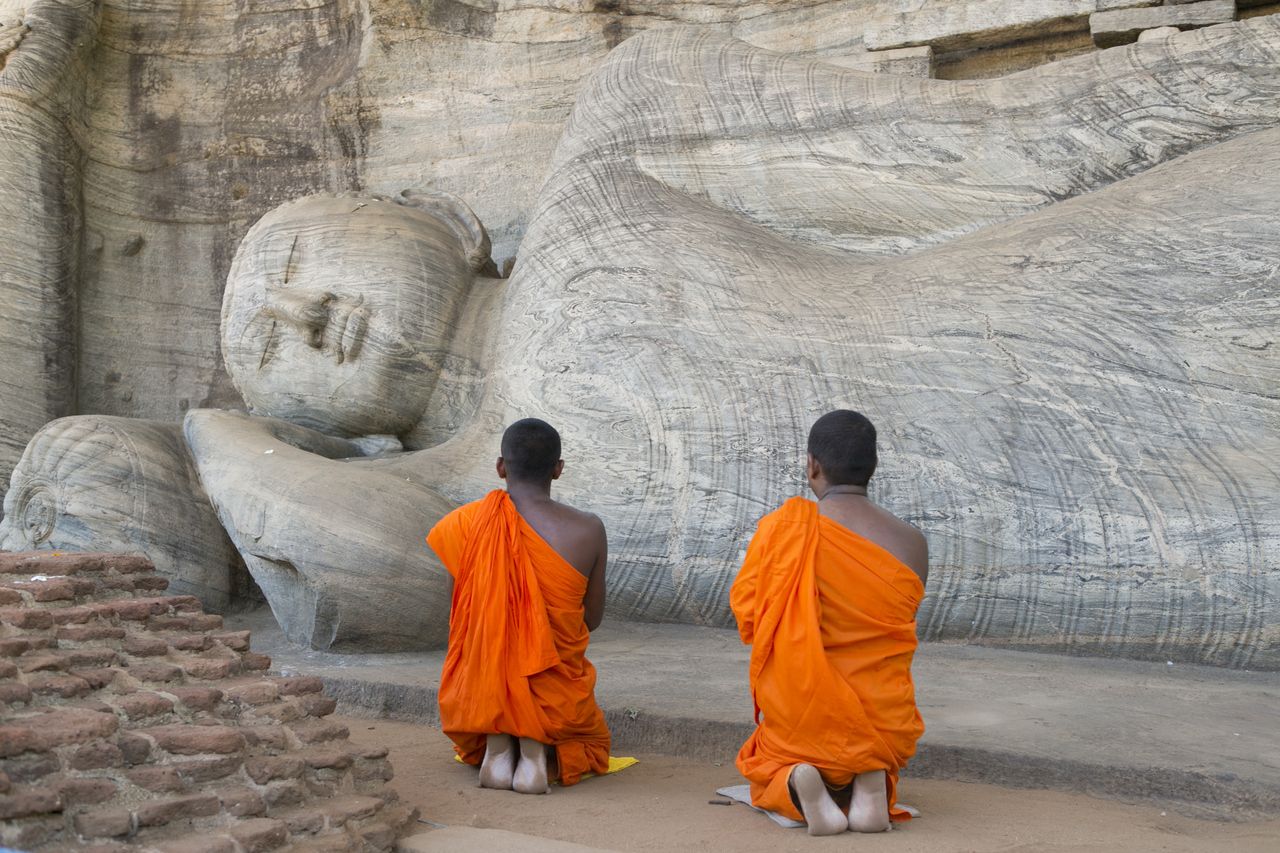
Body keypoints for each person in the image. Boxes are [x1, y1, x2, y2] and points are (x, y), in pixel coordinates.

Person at [730, 410, 928, 835]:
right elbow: (900, 623)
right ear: (872, 468)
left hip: (803, 719)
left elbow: (749, 618)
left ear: (812, 465)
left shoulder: (781, 531)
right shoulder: (912, 541)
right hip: (883, 722)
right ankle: (870, 778)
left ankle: (797, 782)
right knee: (867, 737)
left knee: (764, 760)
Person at [426, 418, 610, 793]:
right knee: (539, 657)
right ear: (558, 470)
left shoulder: (465, 524)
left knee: (489, 640)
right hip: (555, 690)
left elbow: (464, 616)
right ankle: (534, 752)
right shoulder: (588, 529)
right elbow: (591, 619)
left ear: (500, 467)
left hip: (481, 690)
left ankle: (497, 748)